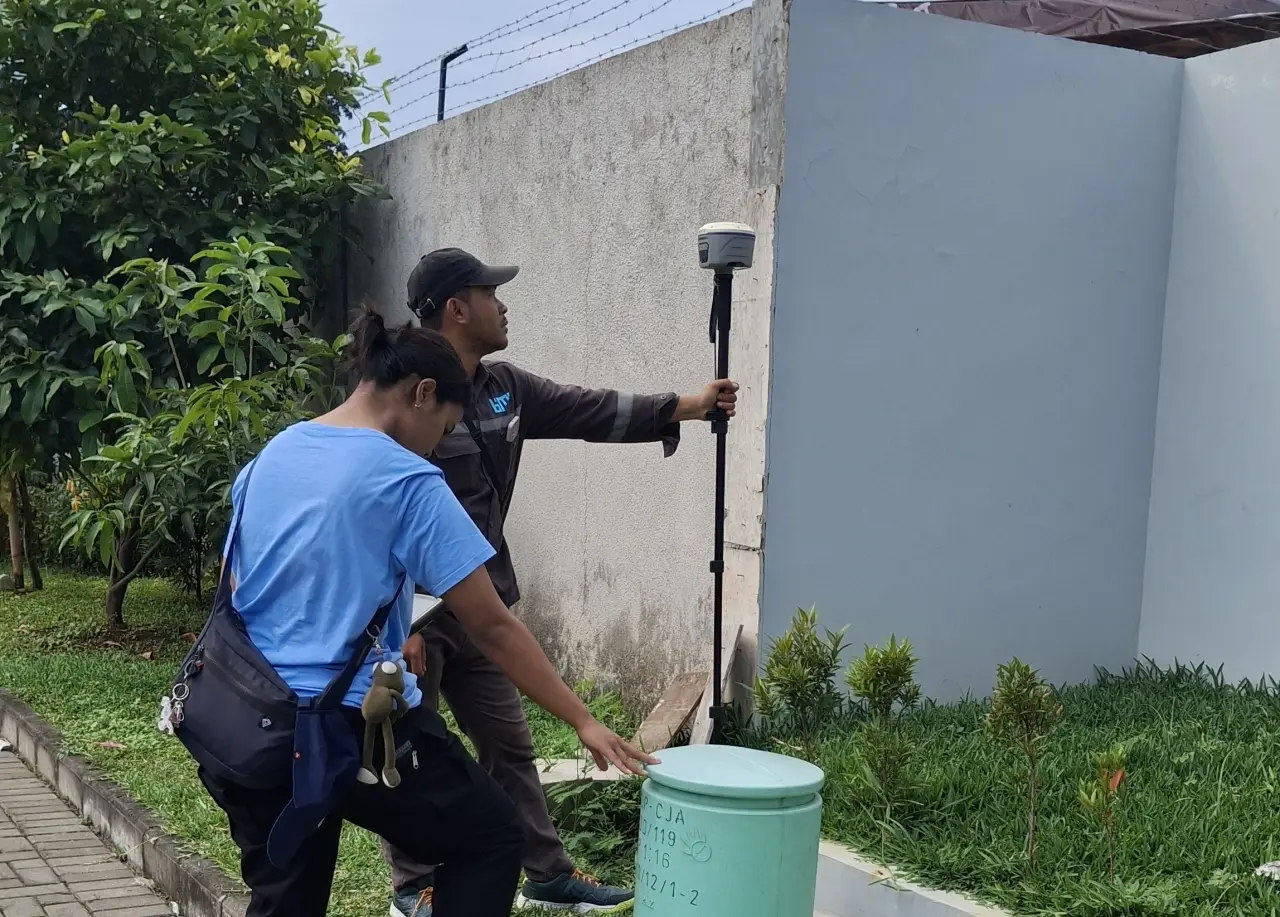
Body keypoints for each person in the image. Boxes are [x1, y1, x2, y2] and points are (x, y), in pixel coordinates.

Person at [194, 307, 655, 917]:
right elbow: (491, 625)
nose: (438, 445)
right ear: (422, 393)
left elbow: (238, 584)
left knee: (286, 902)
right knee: (491, 836)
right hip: (347, 726)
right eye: (444, 426)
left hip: (243, 722)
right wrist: (583, 720)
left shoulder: (275, 454)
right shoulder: (407, 479)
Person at [385, 248, 738, 917]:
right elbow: (379, 511)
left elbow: (587, 409)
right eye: (491, 293)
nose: (503, 305)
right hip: (416, 615)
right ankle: (414, 883)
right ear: (457, 307)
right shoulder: (409, 394)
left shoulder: (504, 387)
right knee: (406, 746)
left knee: (509, 745)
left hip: (482, 604)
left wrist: (685, 406)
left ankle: (545, 873)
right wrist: (392, 622)